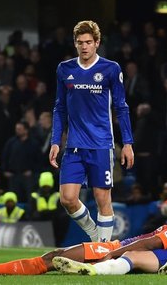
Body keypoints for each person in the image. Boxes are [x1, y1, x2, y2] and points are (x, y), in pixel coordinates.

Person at [0, 199, 167, 275]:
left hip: (115, 248)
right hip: (119, 249)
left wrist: (116, 252)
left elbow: (153, 242)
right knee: (54, 258)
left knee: (54, 258)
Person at [49, 20, 134, 242]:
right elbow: (59, 107)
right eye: (80, 43)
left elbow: (121, 107)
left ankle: (104, 251)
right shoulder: (64, 69)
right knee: (67, 199)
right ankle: (97, 237)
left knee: (101, 197)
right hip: (74, 146)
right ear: (75, 44)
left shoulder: (111, 69)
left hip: (101, 145)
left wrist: (127, 143)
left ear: (97, 43)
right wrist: (55, 141)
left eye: (88, 42)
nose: (84, 46)